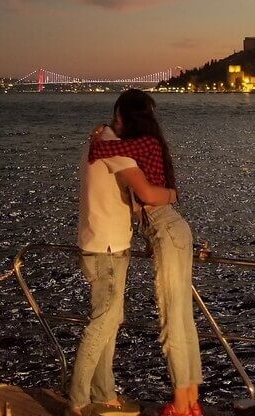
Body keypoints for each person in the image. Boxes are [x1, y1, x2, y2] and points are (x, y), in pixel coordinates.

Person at [88, 90, 203, 416]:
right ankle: (191, 401)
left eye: (117, 117)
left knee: (171, 322)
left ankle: (180, 407)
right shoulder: (152, 143)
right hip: (173, 230)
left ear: (126, 117)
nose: (114, 123)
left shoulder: (139, 145)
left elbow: (100, 151)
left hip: (165, 230)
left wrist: (99, 132)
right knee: (183, 320)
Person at [68, 119, 178, 416]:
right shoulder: (114, 149)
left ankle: (103, 393)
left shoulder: (100, 142)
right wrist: (173, 195)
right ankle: (77, 401)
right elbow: (147, 193)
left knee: (110, 323)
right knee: (102, 323)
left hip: (101, 244)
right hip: (107, 249)